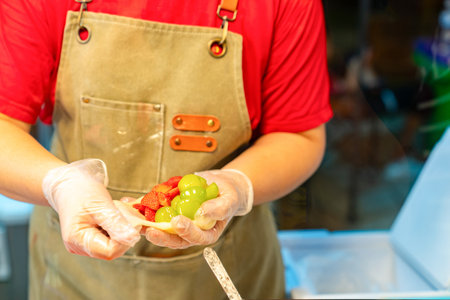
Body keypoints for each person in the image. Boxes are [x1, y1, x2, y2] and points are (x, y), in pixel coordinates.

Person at [0, 0, 332, 299]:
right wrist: (63, 185)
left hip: (228, 269)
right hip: (77, 278)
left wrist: (236, 184)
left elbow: (298, 135)